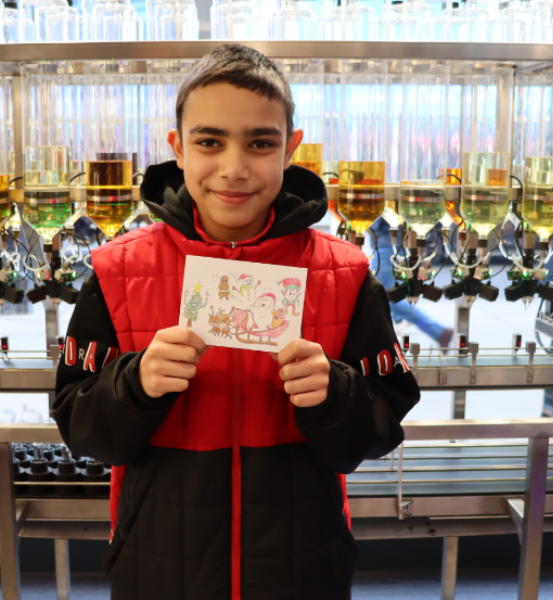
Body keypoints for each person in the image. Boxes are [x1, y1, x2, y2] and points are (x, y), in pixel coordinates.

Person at [52, 45, 419, 600]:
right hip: (158, 574)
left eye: (261, 142)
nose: (234, 168)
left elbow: (380, 427)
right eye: (209, 141)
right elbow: (80, 428)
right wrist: (136, 384)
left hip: (305, 574)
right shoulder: (117, 272)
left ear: (291, 149)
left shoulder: (346, 275)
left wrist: (336, 395)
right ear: (177, 147)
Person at [370, 217, 454, 347]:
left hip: (389, 244)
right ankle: (434, 330)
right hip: (387, 243)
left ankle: (438, 332)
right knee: (388, 296)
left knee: (384, 296)